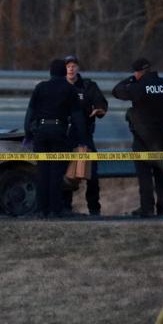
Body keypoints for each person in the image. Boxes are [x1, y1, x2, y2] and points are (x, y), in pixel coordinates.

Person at [112, 57, 163, 217]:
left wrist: (131, 79)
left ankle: (147, 208)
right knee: (161, 175)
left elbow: (117, 91)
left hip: (142, 138)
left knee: (145, 175)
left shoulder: (138, 86)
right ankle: (162, 209)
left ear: (137, 72)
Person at [25, 58, 87, 217]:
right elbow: (77, 117)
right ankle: (55, 210)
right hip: (59, 132)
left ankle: (41, 210)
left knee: (42, 172)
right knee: (56, 173)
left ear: (50, 72)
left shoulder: (40, 87)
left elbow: (30, 112)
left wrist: (28, 133)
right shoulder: (70, 89)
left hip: (41, 132)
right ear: (63, 72)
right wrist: (82, 139)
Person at [59, 56, 108, 215]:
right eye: (68, 66)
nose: (71, 69)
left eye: (74, 66)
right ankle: (66, 207)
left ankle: (94, 209)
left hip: (85, 135)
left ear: (78, 68)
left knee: (92, 174)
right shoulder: (59, 86)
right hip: (65, 136)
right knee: (66, 172)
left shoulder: (88, 86)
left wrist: (99, 109)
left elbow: (101, 102)